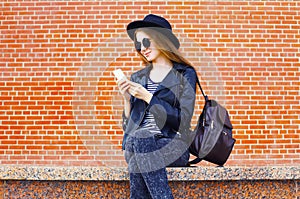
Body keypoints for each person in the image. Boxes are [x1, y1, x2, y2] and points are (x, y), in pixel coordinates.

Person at [116, 14, 197, 199]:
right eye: (138, 44)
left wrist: (148, 97)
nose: (142, 48)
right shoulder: (138, 77)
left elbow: (183, 120)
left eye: (146, 41)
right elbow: (129, 127)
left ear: (161, 39)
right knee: (139, 138)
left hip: (172, 144)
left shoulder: (185, 74)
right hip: (136, 144)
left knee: (139, 148)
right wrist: (127, 99)